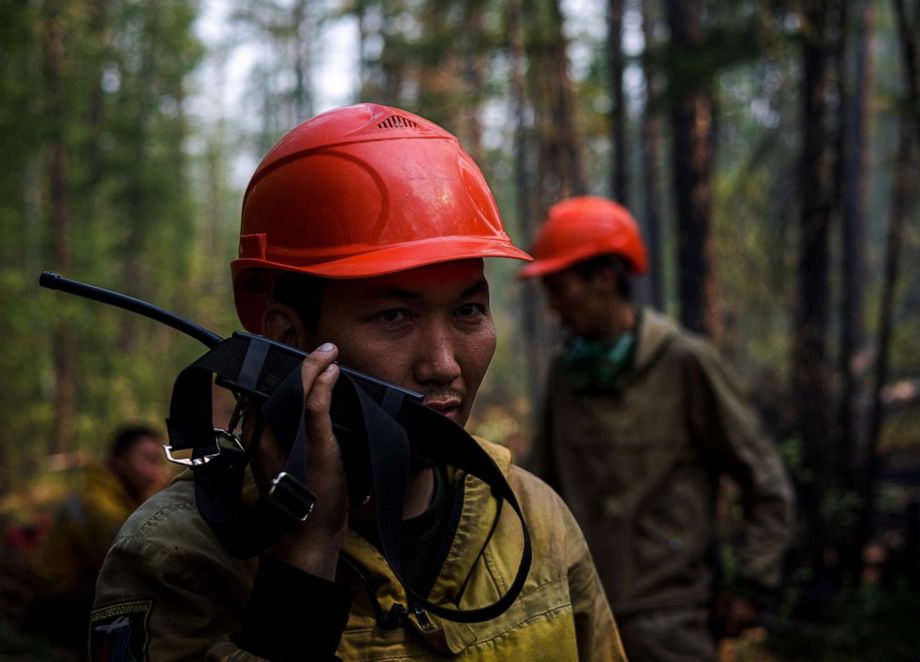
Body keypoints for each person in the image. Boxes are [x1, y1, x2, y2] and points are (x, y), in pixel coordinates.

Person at [90, 104, 626, 661]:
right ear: (288, 339)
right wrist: (304, 558)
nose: (444, 365)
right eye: (393, 316)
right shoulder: (176, 556)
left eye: (468, 311)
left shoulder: (534, 520)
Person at [518, 196, 795, 662]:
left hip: (670, 624)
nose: (552, 307)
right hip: (576, 616)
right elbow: (536, 486)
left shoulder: (685, 362)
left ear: (605, 278)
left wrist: (752, 584)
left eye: (560, 288)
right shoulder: (567, 374)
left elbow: (765, 483)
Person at [32, 424, 166, 646]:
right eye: (147, 459)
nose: (155, 471)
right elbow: (128, 566)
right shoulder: (98, 505)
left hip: (84, 589)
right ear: (119, 460)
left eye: (158, 461)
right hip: (61, 600)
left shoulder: (128, 494)